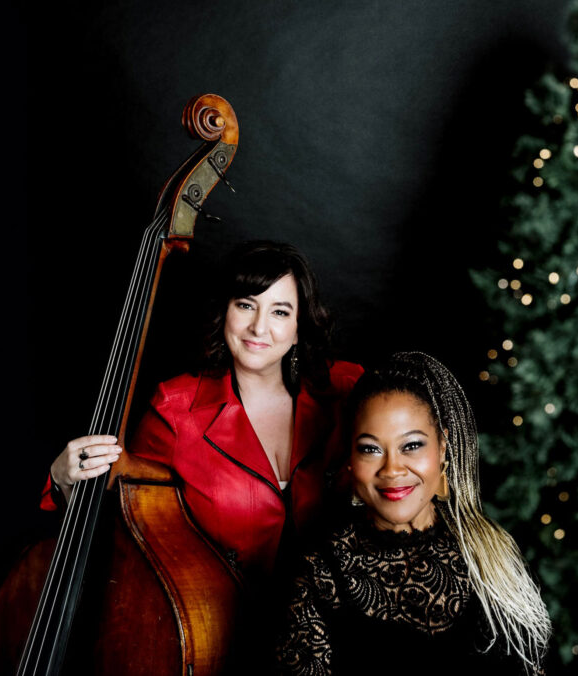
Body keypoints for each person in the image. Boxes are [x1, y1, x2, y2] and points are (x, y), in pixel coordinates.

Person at [43, 240, 363, 577]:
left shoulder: (345, 389)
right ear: (225, 311)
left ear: (299, 327)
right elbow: (122, 519)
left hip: (328, 616)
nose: (258, 327)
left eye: (280, 311)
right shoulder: (176, 408)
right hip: (214, 619)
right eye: (245, 305)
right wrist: (64, 481)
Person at [276, 352, 551, 676]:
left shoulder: (493, 554)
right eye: (370, 448)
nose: (392, 470)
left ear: (443, 449)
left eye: (411, 446)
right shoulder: (318, 572)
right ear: (350, 458)